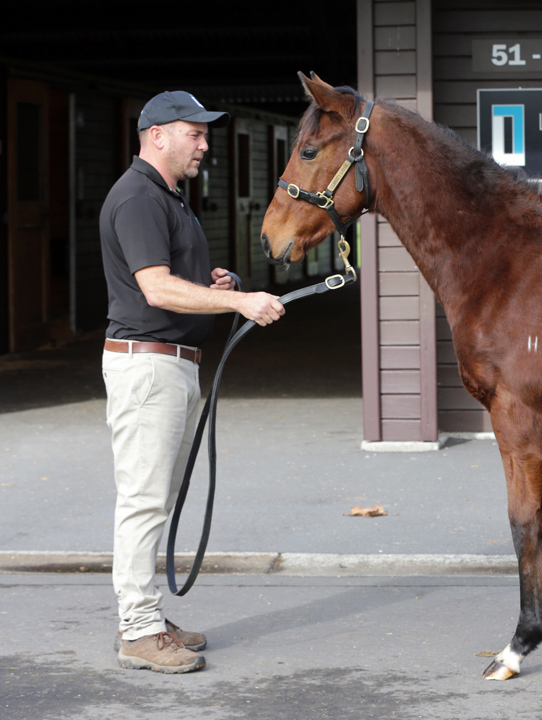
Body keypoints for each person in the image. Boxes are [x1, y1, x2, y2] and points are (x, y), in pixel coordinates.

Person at [99, 91, 285, 673]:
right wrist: (244, 302)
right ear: (157, 136)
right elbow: (155, 288)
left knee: (158, 499)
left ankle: (145, 617)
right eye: (194, 133)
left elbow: (169, 281)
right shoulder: (138, 197)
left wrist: (213, 285)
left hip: (171, 364)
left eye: (205, 134)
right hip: (148, 367)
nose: (205, 144)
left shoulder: (168, 197)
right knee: (144, 501)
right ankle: (138, 630)